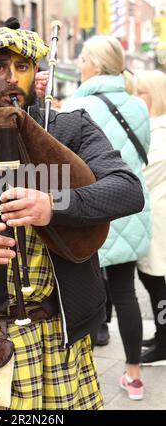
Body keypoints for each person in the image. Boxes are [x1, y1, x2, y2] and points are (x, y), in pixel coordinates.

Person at [0, 20, 145, 410]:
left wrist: (52, 205)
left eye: (21, 66)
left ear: (36, 72)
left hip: (62, 333)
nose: (10, 78)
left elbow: (127, 190)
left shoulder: (70, 129)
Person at [61, 35, 151, 400]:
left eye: (83, 59)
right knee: (125, 291)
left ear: (95, 65)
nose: (80, 65)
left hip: (92, 207)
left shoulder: (77, 106)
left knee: (84, 289)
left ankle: (82, 372)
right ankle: (133, 375)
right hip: (129, 206)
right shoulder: (137, 105)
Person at [135, 70, 166, 366]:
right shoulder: (151, 128)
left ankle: (165, 341)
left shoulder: (161, 132)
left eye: (141, 92)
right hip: (152, 215)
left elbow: (143, 174)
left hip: (159, 218)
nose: (136, 98)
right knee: (151, 277)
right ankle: (161, 334)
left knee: (158, 279)